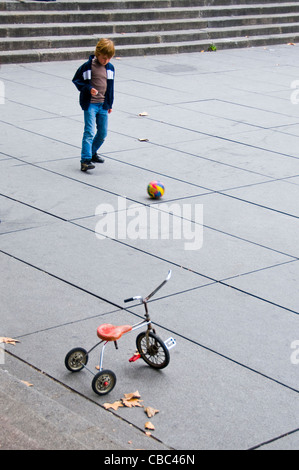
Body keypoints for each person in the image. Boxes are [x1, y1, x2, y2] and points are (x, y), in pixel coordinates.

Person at [72, 38, 115, 172]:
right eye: (103, 58)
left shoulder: (110, 68)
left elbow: (110, 87)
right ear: (97, 53)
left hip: (103, 104)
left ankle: (92, 152)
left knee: (102, 133)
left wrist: (109, 103)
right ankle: (85, 160)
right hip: (90, 104)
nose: (105, 61)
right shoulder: (88, 66)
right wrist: (87, 88)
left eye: (109, 58)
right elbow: (77, 80)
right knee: (89, 131)